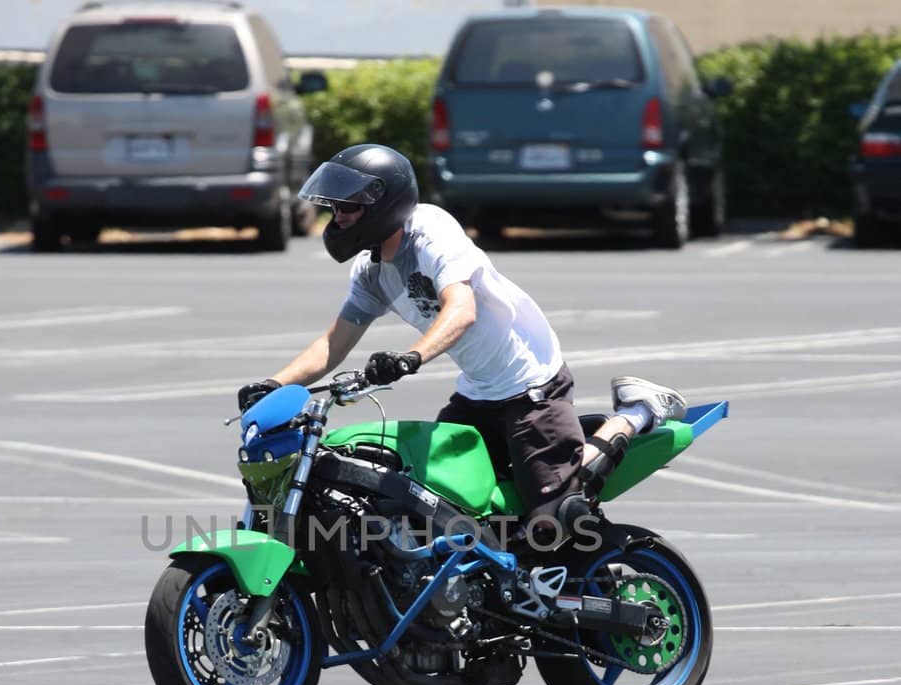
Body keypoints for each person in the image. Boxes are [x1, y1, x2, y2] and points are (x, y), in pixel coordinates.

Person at [237, 143, 686, 551]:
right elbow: (332, 345)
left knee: (554, 524)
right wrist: (273, 385)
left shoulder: (431, 232)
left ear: (385, 202)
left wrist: (411, 356)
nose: (338, 219)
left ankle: (636, 414)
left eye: (348, 208)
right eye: (334, 209)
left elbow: (461, 308)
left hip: (531, 384)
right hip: (477, 393)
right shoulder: (371, 272)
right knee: (432, 505)